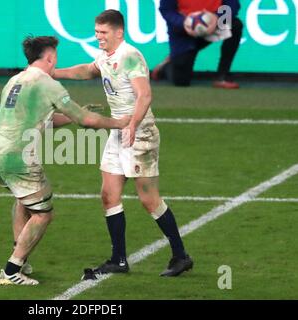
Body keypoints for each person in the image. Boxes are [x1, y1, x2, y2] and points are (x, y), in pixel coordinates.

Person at [54, 10, 193, 277]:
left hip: (140, 133)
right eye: (96, 32)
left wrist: (132, 125)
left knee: (149, 200)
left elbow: (145, 95)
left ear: (119, 32)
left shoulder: (130, 56)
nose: (98, 37)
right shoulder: (106, 56)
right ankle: (118, 259)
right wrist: (54, 72)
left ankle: (180, 255)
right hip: (119, 131)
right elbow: (88, 70)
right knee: (109, 195)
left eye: (103, 33)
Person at [0, 35, 130, 286]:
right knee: (43, 214)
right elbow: (86, 120)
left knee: (24, 201)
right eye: (55, 57)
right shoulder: (47, 84)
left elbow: (43, 120)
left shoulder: (14, 81)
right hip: (17, 160)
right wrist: (118, 122)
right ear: (50, 57)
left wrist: (75, 117)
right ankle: (11, 270)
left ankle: (22, 258)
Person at [151, 0, 243, 88]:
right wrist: (183, 22)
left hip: (213, 24)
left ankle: (223, 75)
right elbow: (167, 10)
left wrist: (217, 18)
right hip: (183, 31)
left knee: (235, 25)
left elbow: (233, 5)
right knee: (181, 81)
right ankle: (166, 66)